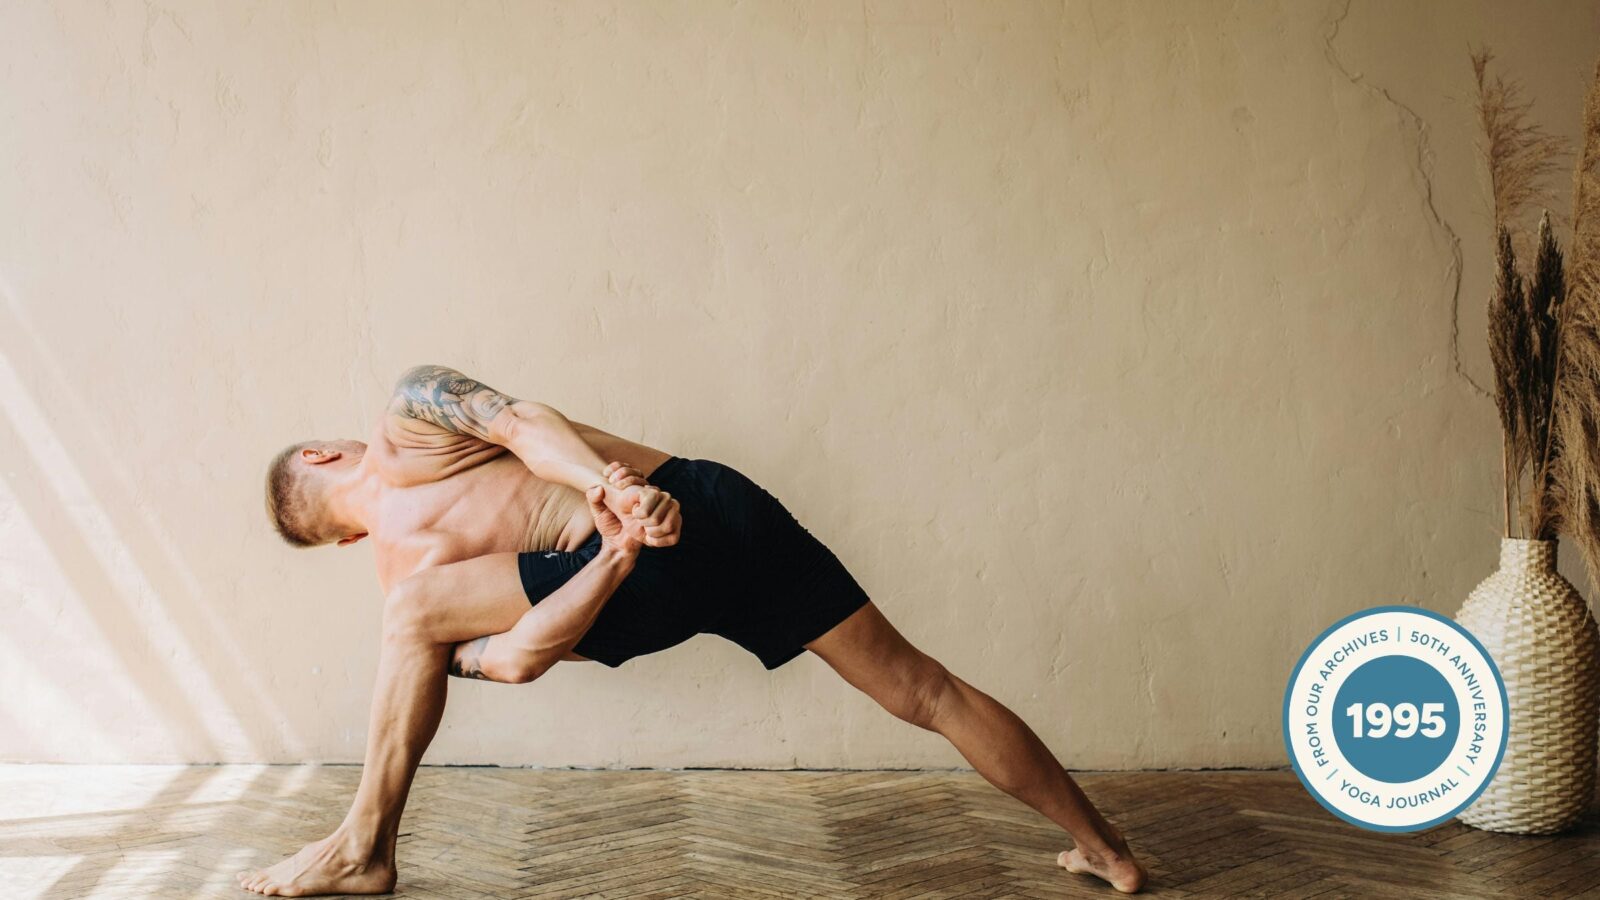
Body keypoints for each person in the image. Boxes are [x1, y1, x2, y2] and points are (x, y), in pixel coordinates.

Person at [236, 364, 1146, 896]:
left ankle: (364, 846)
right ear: (324, 451)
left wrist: (607, 506)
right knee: (923, 688)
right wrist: (611, 503)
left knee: (415, 619)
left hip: (640, 541)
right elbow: (518, 423)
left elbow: (515, 662)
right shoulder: (408, 413)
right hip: (712, 502)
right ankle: (1107, 850)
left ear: (339, 533)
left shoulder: (411, 589)